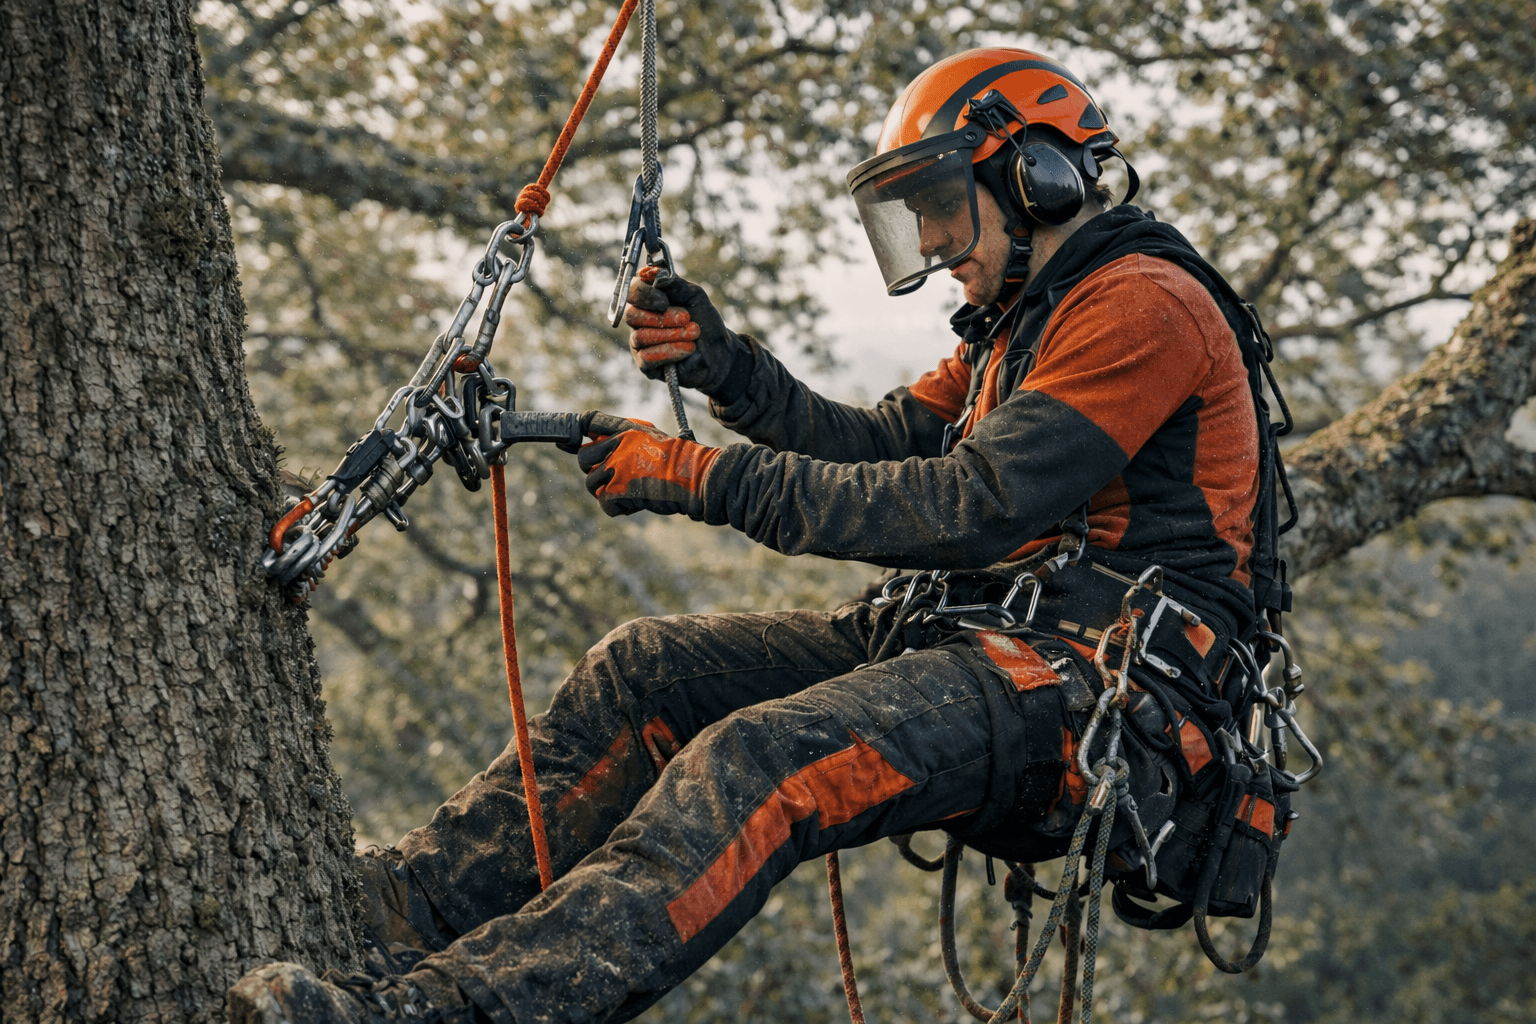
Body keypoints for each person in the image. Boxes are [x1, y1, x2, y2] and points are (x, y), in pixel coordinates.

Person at [231, 46, 1276, 1024]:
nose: (942, 245)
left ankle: (440, 1011)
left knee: (762, 759)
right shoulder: (1026, 323)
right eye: (923, 217)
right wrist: (724, 367)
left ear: (1040, 177)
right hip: (991, 645)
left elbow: (967, 506)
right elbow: (874, 444)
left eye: (947, 209)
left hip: (1100, 693)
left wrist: (699, 477)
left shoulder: (1142, 307)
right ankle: (405, 905)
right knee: (647, 671)